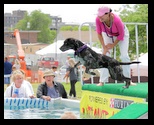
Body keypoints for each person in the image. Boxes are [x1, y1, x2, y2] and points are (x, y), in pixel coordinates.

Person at [95, 5, 133, 86]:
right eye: (99, 15)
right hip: (108, 34)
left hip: (121, 34)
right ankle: (102, 81)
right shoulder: (98, 19)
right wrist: (104, 47)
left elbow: (121, 35)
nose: (100, 17)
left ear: (108, 14)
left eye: (102, 15)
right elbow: (99, 33)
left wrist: (113, 45)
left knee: (124, 56)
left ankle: (128, 80)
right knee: (105, 55)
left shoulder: (117, 20)